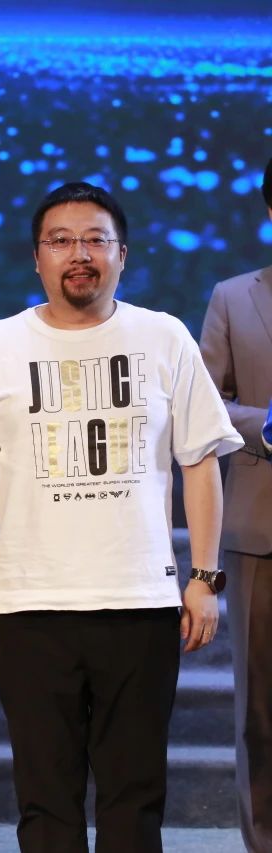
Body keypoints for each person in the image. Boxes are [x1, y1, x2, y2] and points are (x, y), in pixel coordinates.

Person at [0, 181, 242, 852]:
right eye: (62, 241)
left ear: (122, 254)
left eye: (96, 240)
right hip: (30, 606)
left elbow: (200, 461)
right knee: (46, 800)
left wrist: (204, 578)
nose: (80, 254)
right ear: (36, 257)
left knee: (135, 797)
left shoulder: (164, 337)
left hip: (141, 603)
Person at [199, 154, 272, 853]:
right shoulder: (233, 297)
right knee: (261, 711)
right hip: (261, 531)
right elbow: (206, 402)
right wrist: (266, 424)